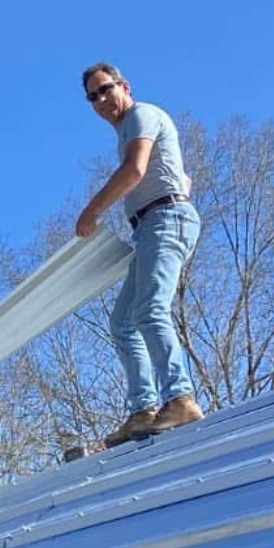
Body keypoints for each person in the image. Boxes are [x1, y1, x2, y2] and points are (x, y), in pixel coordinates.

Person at [75, 62, 204, 445]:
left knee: (149, 310)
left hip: (165, 219)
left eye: (105, 89)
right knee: (122, 322)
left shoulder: (141, 114)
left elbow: (134, 170)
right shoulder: (131, 129)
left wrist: (92, 211)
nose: (101, 100)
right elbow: (169, 173)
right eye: (92, 97)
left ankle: (180, 399)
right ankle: (143, 410)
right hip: (151, 225)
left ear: (124, 86)